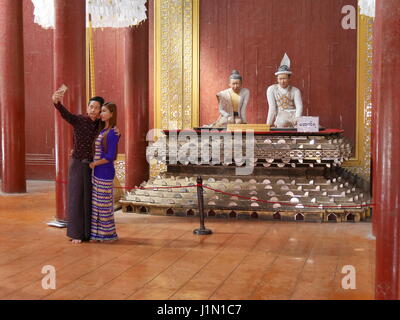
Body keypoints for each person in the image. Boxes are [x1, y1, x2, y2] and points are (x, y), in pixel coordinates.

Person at [52, 89, 105, 244]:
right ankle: (76, 233)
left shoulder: (101, 125)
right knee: (76, 198)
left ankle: (90, 233)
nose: (93, 110)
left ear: (101, 110)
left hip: (93, 166)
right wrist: (56, 102)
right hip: (77, 163)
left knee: (90, 199)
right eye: (91, 107)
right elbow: (66, 114)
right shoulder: (79, 119)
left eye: (96, 107)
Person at [89, 102, 120, 242]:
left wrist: (95, 163)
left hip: (105, 172)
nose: (101, 113)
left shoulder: (113, 132)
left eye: (104, 111)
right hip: (97, 172)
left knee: (104, 205)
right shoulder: (102, 131)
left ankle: (107, 234)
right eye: (101, 111)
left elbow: (110, 156)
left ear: (112, 114)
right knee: (97, 205)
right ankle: (97, 234)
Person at [266, 53, 303, 128]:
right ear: (277, 79)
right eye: (280, 79)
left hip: (293, 116)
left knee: (306, 126)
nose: (282, 81)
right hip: (280, 116)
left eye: (284, 79)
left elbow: (299, 106)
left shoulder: (295, 91)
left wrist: (297, 118)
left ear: (289, 78)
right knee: (282, 123)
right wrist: (268, 124)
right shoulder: (272, 89)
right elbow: (272, 107)